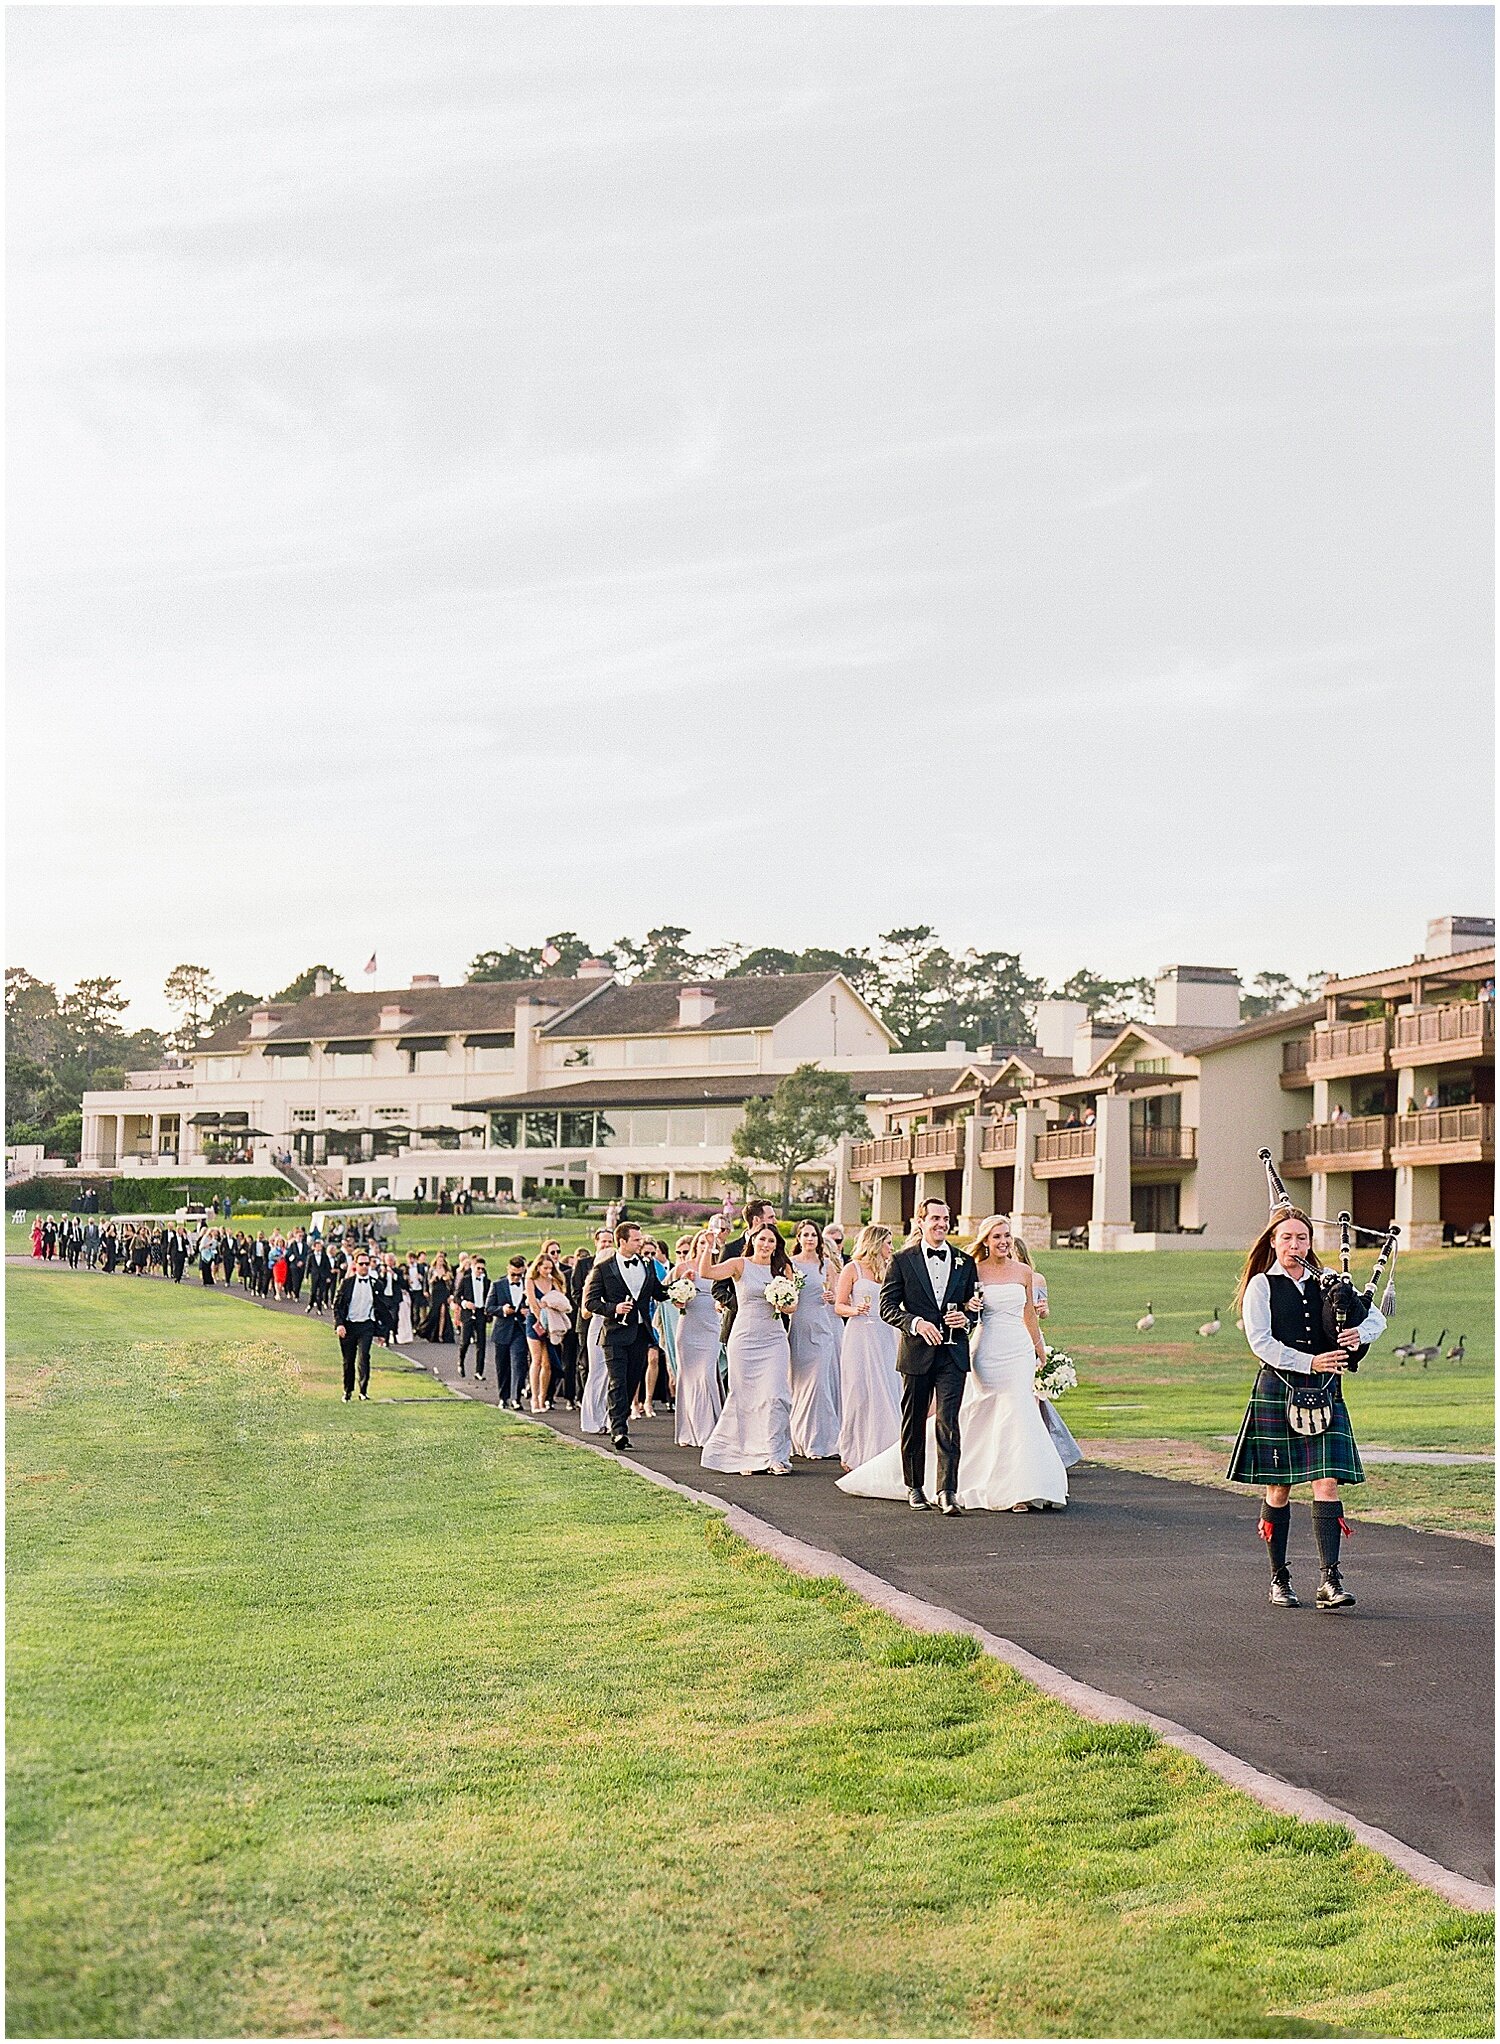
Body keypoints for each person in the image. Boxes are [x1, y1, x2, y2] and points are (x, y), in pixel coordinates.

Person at [841, 1215, 1067, 1513]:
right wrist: (954, 1317)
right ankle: (930, 1482)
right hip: (987, 1350)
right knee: (976, 1416)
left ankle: (1023, 1488)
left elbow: (1028, 1315)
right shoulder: (973, 1269)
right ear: (986, 1240)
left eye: (1007, 1236)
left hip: (1019, 1351)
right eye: (997, 1236)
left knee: (1020, 1411)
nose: (1004, 1241)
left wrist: (1040, 1350)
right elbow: (962, 1307)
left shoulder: (1022, 1272)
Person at [1226, 1204, 1384, 1610]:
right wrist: (1309, 1361)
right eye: (1287, 1238)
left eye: (1302, 1238)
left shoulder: (1328, 1282)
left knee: (1326, 1480)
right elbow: (1261, 1343)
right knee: (1278, 1486)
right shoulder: (1261, 1286)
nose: (1295, 1245)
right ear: (1273, 1242)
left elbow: (1377, 1318)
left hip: (1326, 1387)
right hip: (1280, 1386)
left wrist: (1356, 1333)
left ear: (1311, 1243)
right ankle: (1279, 1578)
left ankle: (1330, 1580)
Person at [871, 1198, 978, 1515]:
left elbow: (975, 1306)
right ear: (920, 1222)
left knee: (948, 1422)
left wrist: (967, 1321)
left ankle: (947, 1491)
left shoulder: (964, 1261)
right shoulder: (903, 1261)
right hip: (916, 1354)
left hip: (953, 1354)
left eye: (946, 1219)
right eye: (935, 1218)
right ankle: (914, 1486)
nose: (942, 1224)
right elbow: (887, 1308)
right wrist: (915, 1324)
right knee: (914, 1421)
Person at [698, 1220, 796, 1476]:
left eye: (771, 1241)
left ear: (776, 1246)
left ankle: (775, 1455)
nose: (765, 1244)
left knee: (775, 1396)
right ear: (752, 1240)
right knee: (745, 1397)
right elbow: (707, 1273)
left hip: (774, 1338)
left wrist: (782, 1302)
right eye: (761, 1239)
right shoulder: (740, 1265)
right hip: (744, 1339)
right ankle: (745, 1454)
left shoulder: (783, 1268)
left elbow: (793, 1306)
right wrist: (709, 1247)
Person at [582, 1221, 668, 1451]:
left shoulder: (648, 1265)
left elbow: (658, 1292)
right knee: (617, 1381)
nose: (641, 1243)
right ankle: (618, 1431)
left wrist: (679, 1287)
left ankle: (618, 1420)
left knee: (631, 1383)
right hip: (614, 1334)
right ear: (623, 1241)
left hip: (640, 1333)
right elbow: (590, 1302)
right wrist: (614, 1308)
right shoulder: (604, 1268)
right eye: (637, 1240)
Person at [833, 1224, 902, 1470]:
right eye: (887, 1243)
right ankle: (853, 1452)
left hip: (885, 1333)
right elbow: (839, 1305)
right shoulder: (852, 1269)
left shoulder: (890, 1269)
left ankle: (885, 1450)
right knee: (859, 1391)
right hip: (859, 1334)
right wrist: (855, 1310)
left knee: (886, 1388)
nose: (891, 1248)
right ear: (875, 1243)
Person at [788, 1219, 842, 1458]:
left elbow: (839, 1297)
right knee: (799, 1385)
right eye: (805, 1234)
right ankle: (798, 1436)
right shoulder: (789, 1265)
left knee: (818, 1384)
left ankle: (820, 1440)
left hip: (822, 1328)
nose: (810, 1239)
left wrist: (831, 1297)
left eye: (813, 1235)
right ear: (798, 1238)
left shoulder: (826, 1264)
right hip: (799, 1326)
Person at [672, 1230, 724, 1447]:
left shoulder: (719, 1268)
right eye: (702, 1242)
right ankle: (689, 1429)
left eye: (709, 1243)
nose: (706, 1245)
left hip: (711, 1325)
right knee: (689, 1377)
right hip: (689, 1326)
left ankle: (710, 1429)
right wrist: (684, 1284)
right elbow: (676, 1302)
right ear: (696, 1244)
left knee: (707, 1376)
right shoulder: (683, 1268)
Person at [525, 1250, 571, 1411]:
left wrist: (548, 1303)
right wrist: (541, 1319)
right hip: (535, 1323)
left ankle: (542, 1397)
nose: (547, 1271)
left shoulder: (554, 1281)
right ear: (538, 1267)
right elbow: (532, 1303)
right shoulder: (530, 1280)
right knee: (536, 1359)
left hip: (552, 1323)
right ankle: (534, 1400)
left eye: (550, 1268)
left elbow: (561, 1301)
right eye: (545, 1268)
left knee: (548, 1363)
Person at [333, 1248, 380, 1402]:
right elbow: (337, 1306)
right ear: (355, 1265)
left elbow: (384, 1308)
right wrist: (339, 1325)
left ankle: (363, 1391)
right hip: (349, 1326)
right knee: (348, 1361)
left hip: (366, 1325)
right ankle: (348, 1391)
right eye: (362, 1264)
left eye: (368, 1264)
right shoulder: (346, 1284)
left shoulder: (375, 1284)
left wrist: (382, 1332)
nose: (365, 1267)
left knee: (364, 1357)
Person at [488, 1256, 532, 1407]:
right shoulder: (498, 1285)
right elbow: (489, 1308)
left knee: (518, 1363)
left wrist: (527, 1311)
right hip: (502, 1330)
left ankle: (516, 1398)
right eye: (513, 1274)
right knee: (502, 1365)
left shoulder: (528, 1285)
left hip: (519, 1329)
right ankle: (503, 1397)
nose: (516, 1277)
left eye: (519, 1274)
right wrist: (503, 1310)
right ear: (508, 1269)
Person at [453, 1256, 491, 1381]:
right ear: (473, 1267)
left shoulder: (487, 1282)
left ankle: (479, 1371)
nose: (480, 1271)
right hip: (468, 1314)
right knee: (465, 1341)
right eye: (478, 1268)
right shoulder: (466, 1280)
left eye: (482, 1269)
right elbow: (457, 1297)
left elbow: (490, 1298)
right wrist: (465, 1303)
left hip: (481, 1313)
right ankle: (460, 1362)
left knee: (481, 1343)